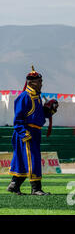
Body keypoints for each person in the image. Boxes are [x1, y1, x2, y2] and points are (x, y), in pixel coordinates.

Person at [7, 66, 58, 196]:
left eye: (41, 81)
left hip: (35, 132)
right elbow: (17, 120)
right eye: (39, 81)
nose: (41, 84)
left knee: (24, 160)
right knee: (33, 159)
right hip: (26, 133)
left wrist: (49, 110)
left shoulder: (37, 97)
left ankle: (14, 185)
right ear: (30, 83)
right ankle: (36, 188)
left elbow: (38, 115)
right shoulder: (24, 97)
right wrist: (25, 134)